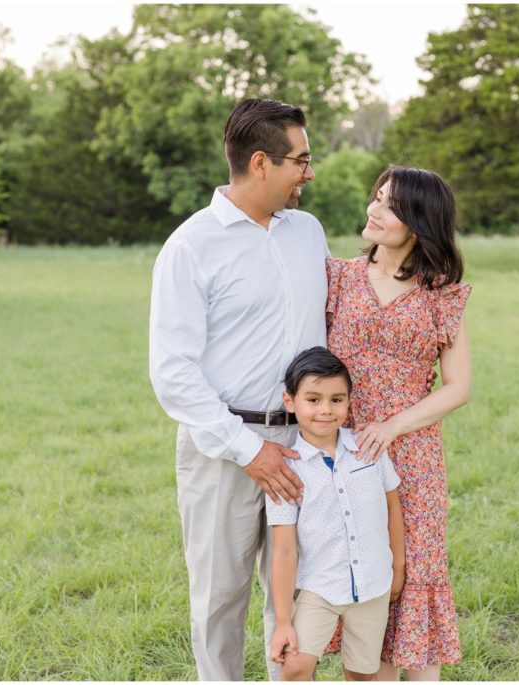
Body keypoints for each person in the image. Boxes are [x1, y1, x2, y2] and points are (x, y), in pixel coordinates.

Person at [148, 98, 329, 681]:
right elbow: (173, 372)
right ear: (260, 163)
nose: (308, 171)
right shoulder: (191, 246)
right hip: (222, 447)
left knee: (298, 599)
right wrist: (249, 450)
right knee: (220, 600)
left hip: (303, 444)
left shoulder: (308, 232)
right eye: (300, 160)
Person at [324, 167, 472, 681]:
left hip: (413, 454)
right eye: (376, 198)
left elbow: (458, 386)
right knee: (365, 578)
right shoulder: (338, 277)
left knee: (417, 577)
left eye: (389, 205)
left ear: (418, 222)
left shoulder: (441, 293)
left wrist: (391, 426)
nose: (374, 210)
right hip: (345, 451)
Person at [266, 347, 405, 681]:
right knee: (296, 667)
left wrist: (397, 567)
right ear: (290, 402)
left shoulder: (367, 447)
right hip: (320, 587)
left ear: (348, 402)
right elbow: (284, 549)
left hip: (373, 584)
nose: (326, 410)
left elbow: (393, 507)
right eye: (313, 400)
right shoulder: (286, 469)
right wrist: (284, 621)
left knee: (363, 673)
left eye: (336, 400)